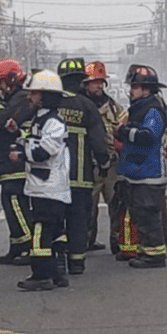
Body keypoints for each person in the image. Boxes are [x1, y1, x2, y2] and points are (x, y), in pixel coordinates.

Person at [9, 70, 71, 291]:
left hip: (49, 187)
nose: (29, 97)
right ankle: (58, 273)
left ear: (46, 95)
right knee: (55, 231)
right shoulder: (41, 119)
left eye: (34, 93)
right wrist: (20, 141)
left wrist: (21, 155)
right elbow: (32, 139)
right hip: (45, 186)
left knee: (42, 230)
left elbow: (44, 151)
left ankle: (41, 274)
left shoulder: (53, 122)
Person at [56, 58, 110, 276]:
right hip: (80, 177)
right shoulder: (87, 106)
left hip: (53, 181)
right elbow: (99, 142)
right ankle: (76, 262)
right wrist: (104, 163)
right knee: (78, 219)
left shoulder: (51, 104)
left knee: (55, 220)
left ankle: (57, 262)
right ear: (81, 80)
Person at [116, 64, 167, 269]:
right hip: (138, 172)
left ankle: (155, 255)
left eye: (135, 86)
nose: (130, 90)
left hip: (150, 173)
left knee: (149, 215)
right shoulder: (140, 108)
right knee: (140, 213)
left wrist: (124, 131)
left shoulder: (153, 110)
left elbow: (148, 137)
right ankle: (145, 250)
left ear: (146, 89)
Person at [0, 59, 36, 265]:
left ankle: (29, 247)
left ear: (11, 79)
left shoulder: (21, 99)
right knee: (10, 207)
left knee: (17, 204)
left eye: (1, 81)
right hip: (7, 165)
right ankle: (17, 245)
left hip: (16, 166)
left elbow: (2, 118)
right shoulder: (15, 99)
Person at [82, 61, 127, 251]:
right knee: (87, 208)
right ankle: (86, 241)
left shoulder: (114, 107)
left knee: (115, 203)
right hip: (88, 165)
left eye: (102, 82)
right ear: (85, 84)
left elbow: (124, 128)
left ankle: (117, 241)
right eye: (95, 82)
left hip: (111, 164)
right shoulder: (81, 106)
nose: (100, 86)